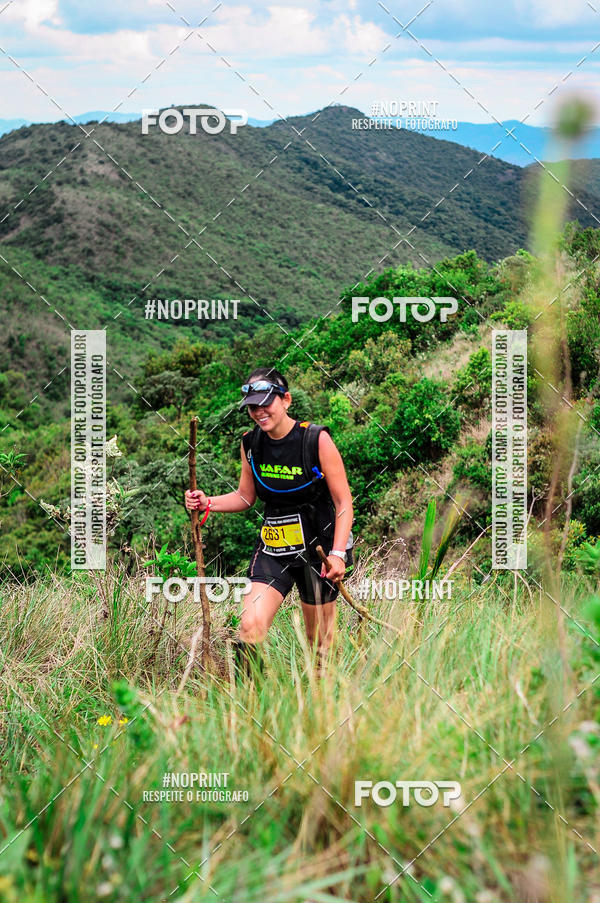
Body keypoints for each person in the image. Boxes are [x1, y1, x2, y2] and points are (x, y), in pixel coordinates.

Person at [185, 367, 354, 678]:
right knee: (249, 626)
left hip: (320, 551)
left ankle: (324, 707)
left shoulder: (316, 439)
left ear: (286, 400)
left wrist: (338, 554)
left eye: (266, 403)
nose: (259, 412)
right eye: (252, 407)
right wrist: (207, 502)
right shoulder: (251, 444)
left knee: (321, 649)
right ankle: (253, 706)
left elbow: (344, 503)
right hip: (274, 547)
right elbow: (246, 497)